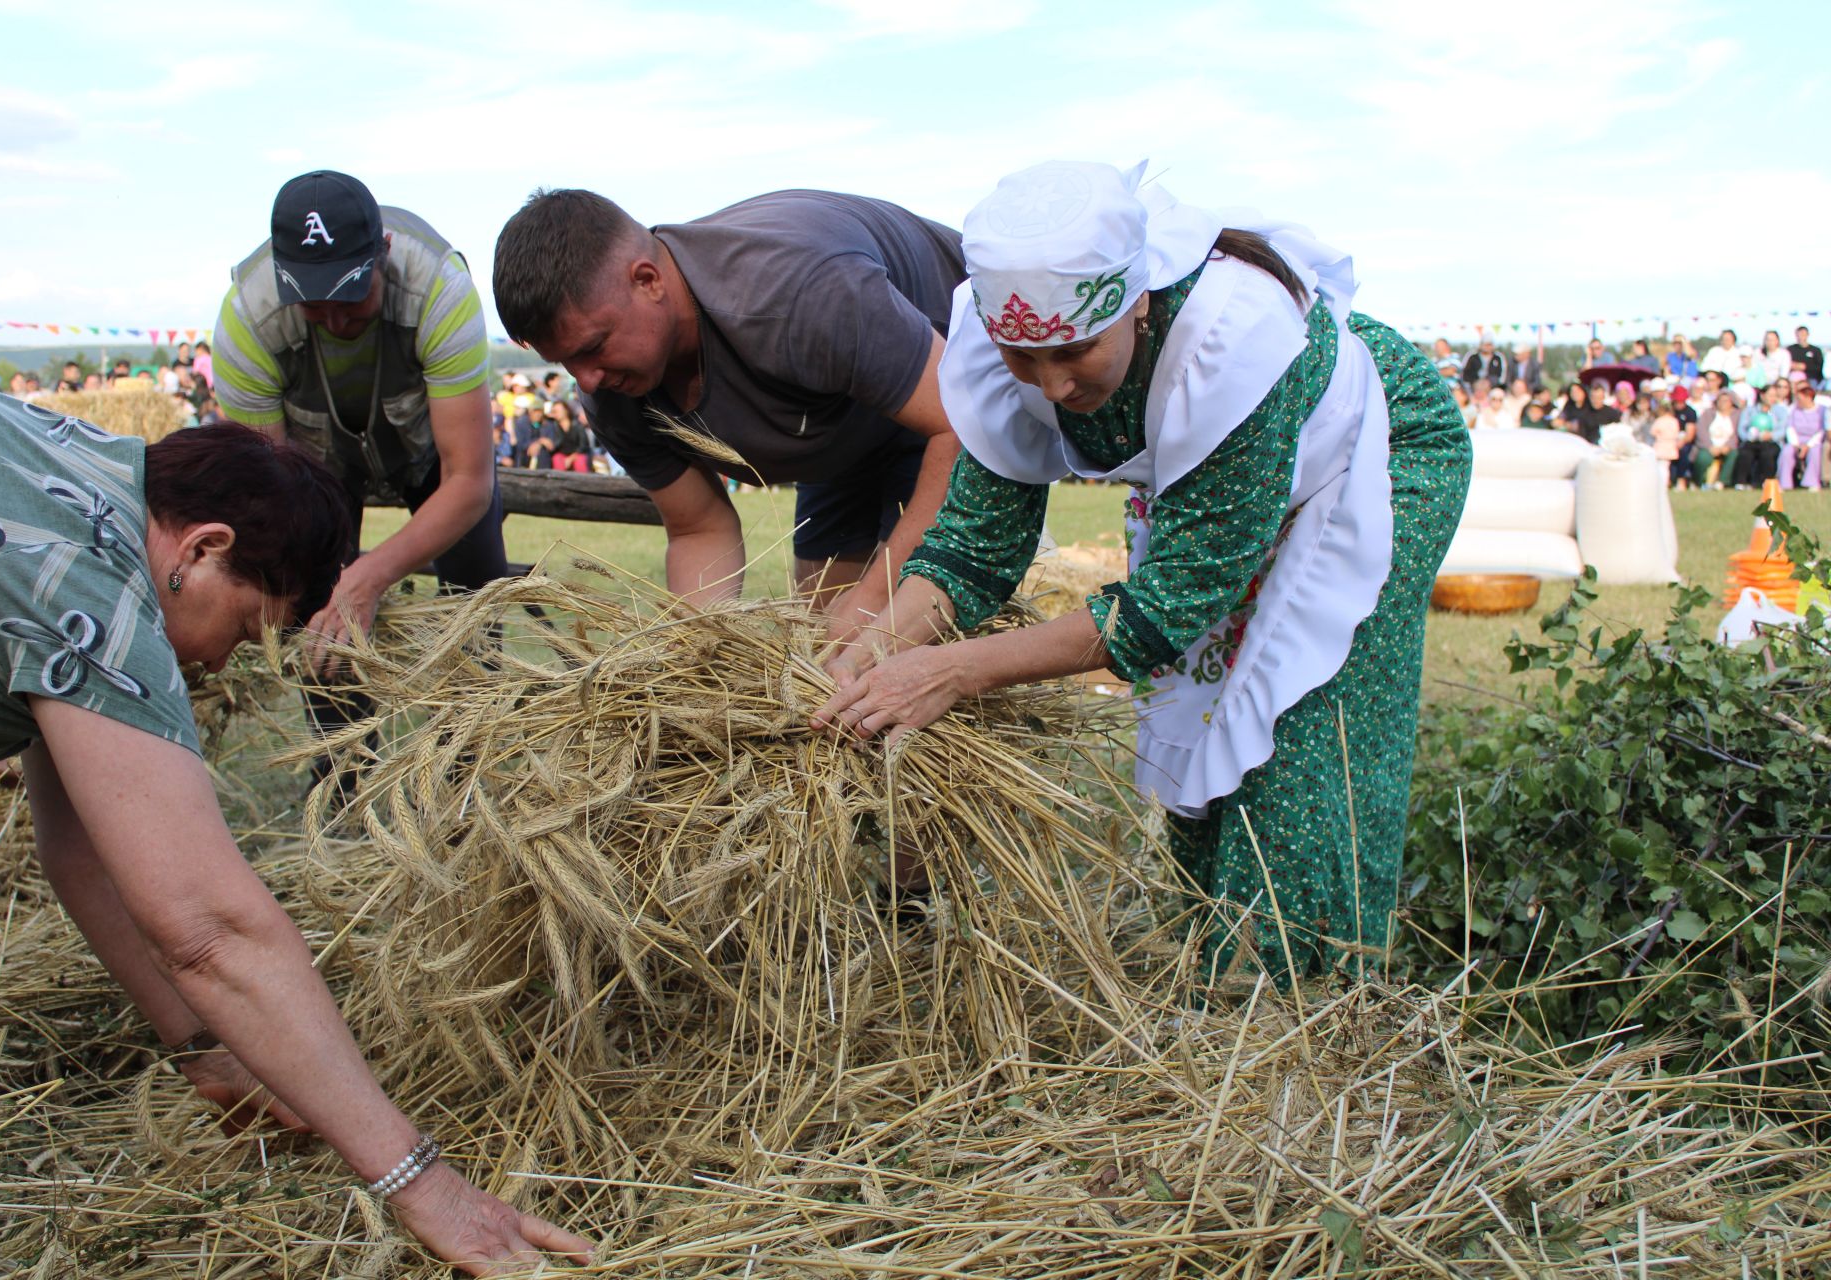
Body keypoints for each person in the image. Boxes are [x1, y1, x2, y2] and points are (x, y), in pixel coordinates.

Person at [0, 368, 593, 1272]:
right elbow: (207, 931)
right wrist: (429, 1191)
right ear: (203, 548)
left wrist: (205, 1050)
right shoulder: (99, 594)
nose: (223, 666)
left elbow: (80, 849)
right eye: (243, 628)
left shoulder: (81, 473)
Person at [815, 161, 1471, 977]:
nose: (1053, 384)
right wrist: (873, 651)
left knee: (1301, 730)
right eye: (1025, 360)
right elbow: (973, 550)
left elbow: (1166, 611)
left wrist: (952, 670)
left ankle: (1306, 1007)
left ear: (1140, 302)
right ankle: (1211, 968)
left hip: (1367, 456)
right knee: (1199, 709)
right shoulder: (1005, 349)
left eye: (1079, 351)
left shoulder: (1229, 337)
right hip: (1217, 492)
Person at [491, 186, 968, 641]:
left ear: (647, 280)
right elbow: (700, 528)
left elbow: (958, 427)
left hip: (958, 388)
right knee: (828, 647)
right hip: (839, 425)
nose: (586, 380)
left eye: (594, 347)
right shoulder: (610, 391)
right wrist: (687, 656)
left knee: (895, 636)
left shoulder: (796, 291)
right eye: (566, 362)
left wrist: (874, 598)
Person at [212, 171, 508, 770]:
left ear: (385, 256)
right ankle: (344, 784)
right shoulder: (248, 320)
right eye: (312, 304)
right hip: (314, 465)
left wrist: (369, 578)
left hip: (430, 457)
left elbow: (468, 483)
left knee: (477, 591)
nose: (335, 320)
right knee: (316, 600)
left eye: (351, 298)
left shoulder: (440, 291)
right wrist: (335, 583)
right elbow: (272, 496)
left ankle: (471, 776)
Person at [1780, 378, 1825, 489]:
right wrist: (1796, 444)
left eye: (1800, 399)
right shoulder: (1794, 410)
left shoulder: (1822, 410)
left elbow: (1822, 431)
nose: (1798, 401)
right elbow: (1790, 428)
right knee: (1787, 451)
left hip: (1815, 442)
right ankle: (1784, 483)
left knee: (1816, 452)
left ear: (1809, 398)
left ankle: (1811, 482)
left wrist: (1808, 446)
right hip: (1797, 441)